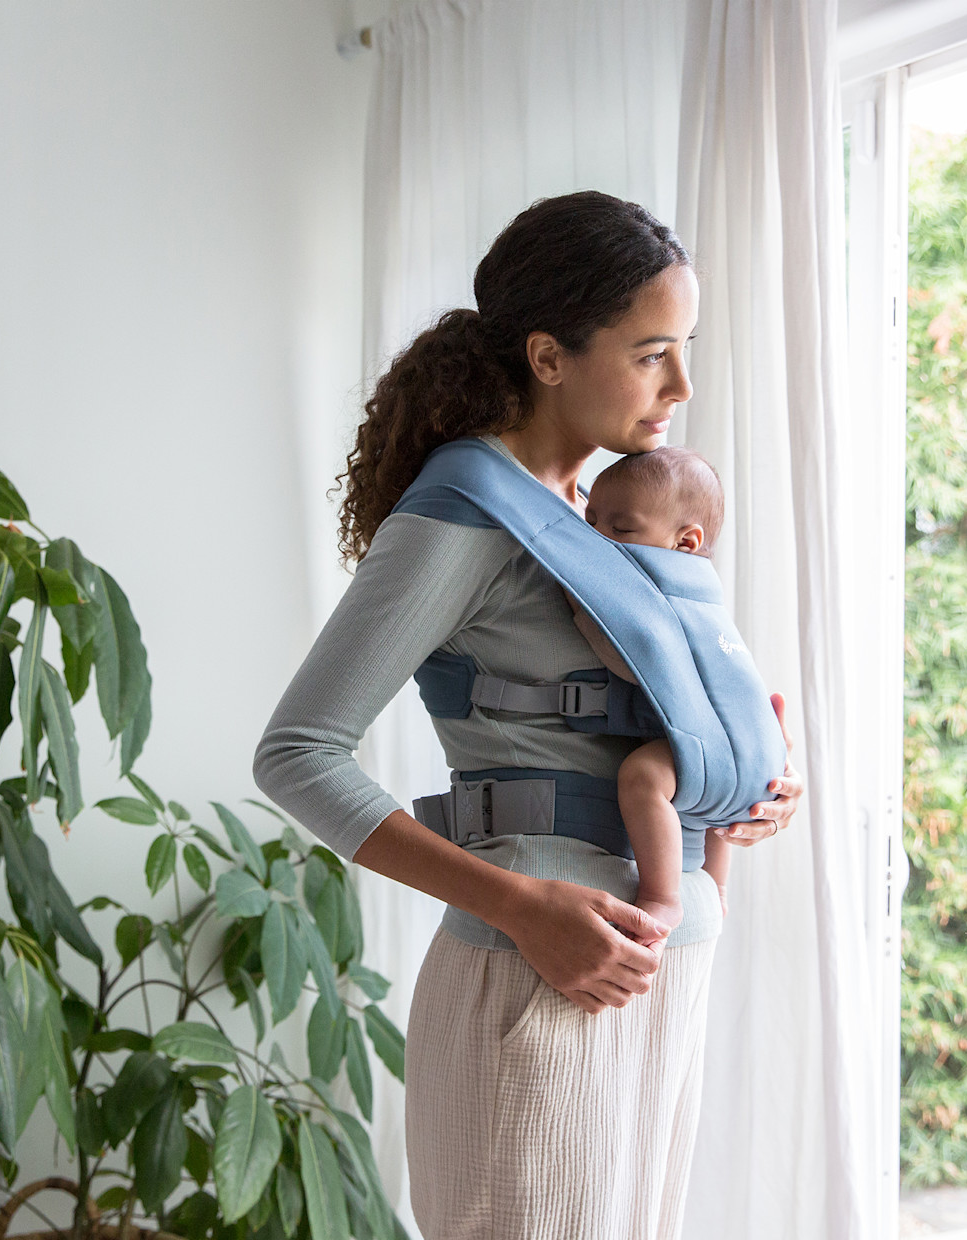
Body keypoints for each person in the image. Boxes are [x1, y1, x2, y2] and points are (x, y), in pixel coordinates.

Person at [253, 190, 802, 1240]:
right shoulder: (467, 509)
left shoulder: (601, 518)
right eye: (651, 354)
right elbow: (296, 754)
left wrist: (745, 786)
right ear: (548, 356)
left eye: (682, 349)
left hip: (651, 967)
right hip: (535, 977)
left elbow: (646, 729)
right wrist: (519, 906)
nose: (680, 385)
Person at [571, 445, 742, 944]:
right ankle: (718, 884)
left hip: (712, 740)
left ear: (687, 542)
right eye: (591, 519)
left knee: (643, 776)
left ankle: (665, 896)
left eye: (621, 529)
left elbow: (629, 659)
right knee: (711, 802)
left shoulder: (663, 594)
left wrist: (580, 606)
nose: (597, 538)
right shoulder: (699, 590)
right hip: (727, 741)